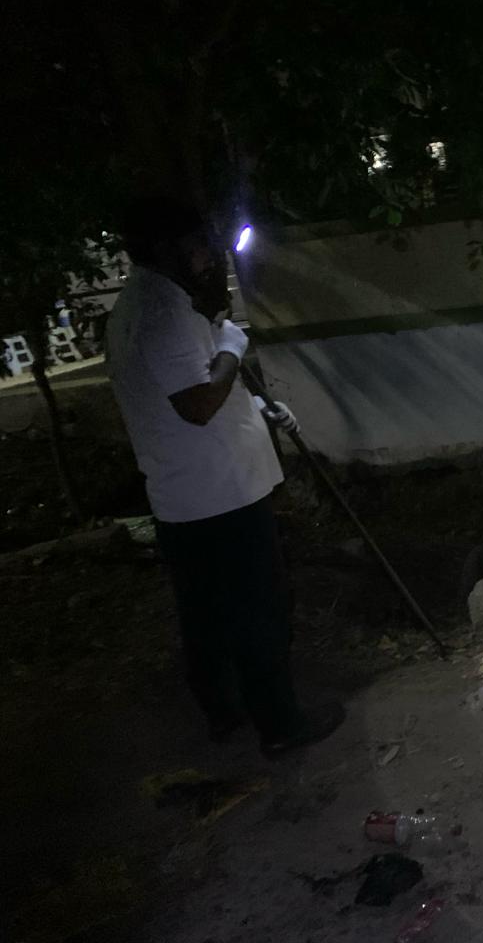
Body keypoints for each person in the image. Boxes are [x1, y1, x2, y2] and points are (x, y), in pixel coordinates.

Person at [106, 196, 344, 757]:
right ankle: (281, 725)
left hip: (182, 496)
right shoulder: (165, 312)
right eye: (196, 243)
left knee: (206, 613)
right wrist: (233, 349)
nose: (207, 254)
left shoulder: (134, 307)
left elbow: (174, 399)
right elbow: (197, 402)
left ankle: (224, 711)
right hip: (223, 497)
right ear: (166, 247)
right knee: (258, 608)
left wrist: (254, 410)